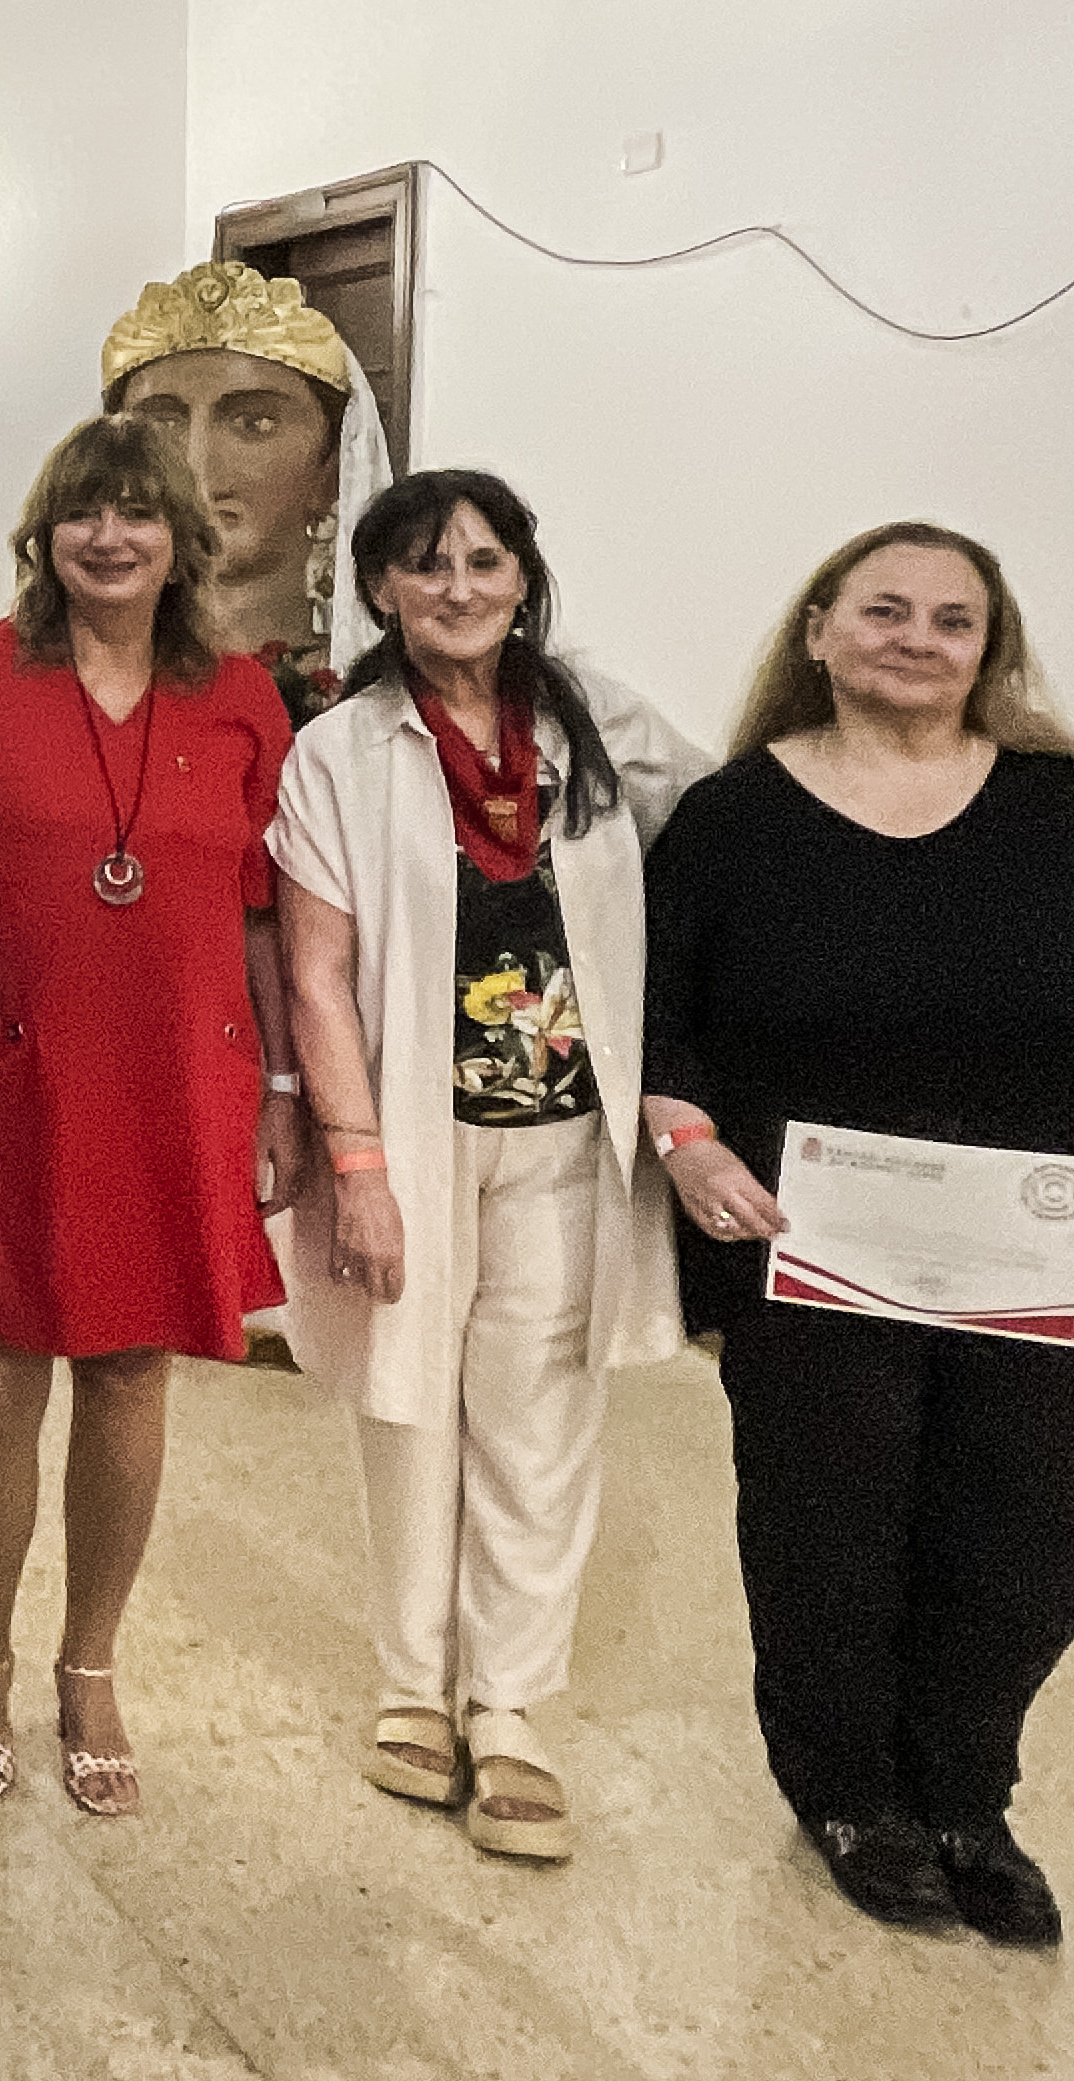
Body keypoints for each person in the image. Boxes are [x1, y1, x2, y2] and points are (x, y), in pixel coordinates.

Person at [643, 522, 1074, 1945]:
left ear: (988, 648)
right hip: (812, 1256)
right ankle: (850, 1792)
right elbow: (662, 1026)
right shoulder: (733, 821)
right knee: (828, 1529)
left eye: (950, 619)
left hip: (1047, 1261)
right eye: (884, 609)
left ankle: (968, 1794)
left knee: (1036, 1532)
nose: (914, 638)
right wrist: (690, 1147)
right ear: (817, 630)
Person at [269, 471, 707, 1862]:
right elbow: (317, 974)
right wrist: (355, 1164)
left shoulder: (594, 722)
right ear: (380, 592)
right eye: (421, 565)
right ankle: (414, 1685)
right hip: (410, 1126)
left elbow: (719, 841)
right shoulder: (340, 749)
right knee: (408, 1403)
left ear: (521, 574)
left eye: (480, 559)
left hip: (568, 1134)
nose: (454, 586)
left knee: (539, 1411)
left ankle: (510, 1704)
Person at [0, 414, 307, 1817]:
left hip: (180, 1086)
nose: (109, 537)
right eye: (82, 514)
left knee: (132, 1375)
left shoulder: (244, 698)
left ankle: (89, 1666)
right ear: (44, 537)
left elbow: (267, 912)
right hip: (11, 1074)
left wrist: (287, 1091)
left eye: (138, 515)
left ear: (181, 542)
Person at [100, 260, 386, 725]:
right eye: (161, 425)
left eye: (254, 423)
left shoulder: (370, 696)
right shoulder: (77, 676)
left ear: (333, 467)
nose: (194, 462)